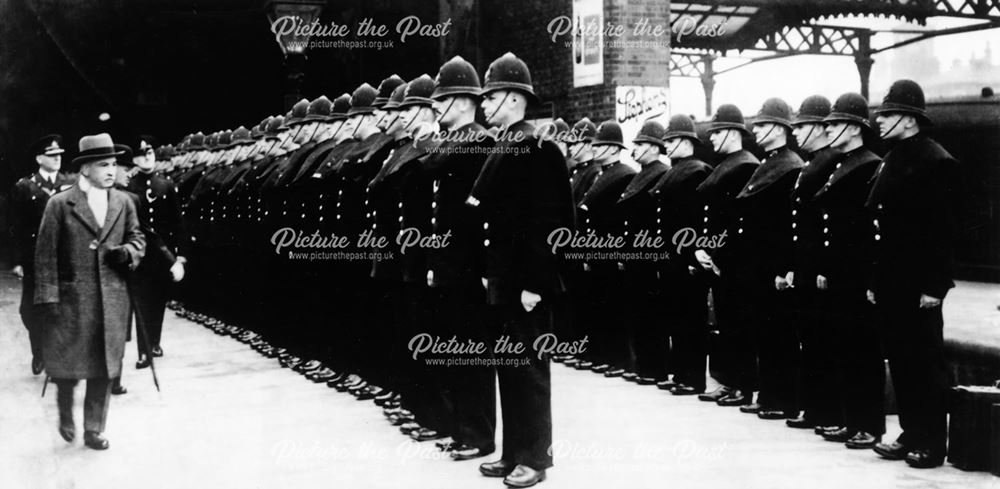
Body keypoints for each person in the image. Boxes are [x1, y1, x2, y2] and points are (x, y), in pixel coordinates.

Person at [471, 52, 575, 488]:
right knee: (509, 368)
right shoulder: (506, 143)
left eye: (491, 96)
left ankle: (535, 458)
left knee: (529, 371)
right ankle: (513, 451)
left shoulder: (539, 147)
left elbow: (552, 224)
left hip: (525, 285)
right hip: (503, 282)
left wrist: (536, 283)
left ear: (513, 98)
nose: (485, 105)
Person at [869, 79, 961, 469]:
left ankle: (931, 441)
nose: (880, 121)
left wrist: (934, 286)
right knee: (903, 360)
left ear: (908, 120)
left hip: (919, 284)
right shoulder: (895, 156)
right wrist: (876, 280)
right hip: (892, 280)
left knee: (925, 362)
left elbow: (944, 231)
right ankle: (910, 431)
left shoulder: (936, 161)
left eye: (887, 115)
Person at [34, 133, 145, 450]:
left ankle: (94, 428)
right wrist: (48, 297)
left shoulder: (124, 202)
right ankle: (65, 408)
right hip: (71, 301)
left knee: (105, 367)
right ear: (85, 169)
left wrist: (127, 253)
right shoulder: (60, 204)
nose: (111, 170)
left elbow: (139, 239)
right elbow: (45, 255)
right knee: (68, 365)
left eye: (113, 164)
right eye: (103, 165)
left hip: (112, 299)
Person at [812, 92, 885, 449]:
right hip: (841, 272)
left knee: (864, 351)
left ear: (855, 128)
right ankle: (850, 419)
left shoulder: (869, 165)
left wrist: (871, 276)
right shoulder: (845, 164)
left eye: (836, 124)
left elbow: (870, 230)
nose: (829, 130)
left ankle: (869, 425)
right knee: (845, 347)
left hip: (858, 272)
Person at [736, 98, 804, 420]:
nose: (756, 129)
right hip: (760, 263)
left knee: (780, 335)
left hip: (772, 264)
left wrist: (784, 266)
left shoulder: (790, 166)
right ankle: (769, 395)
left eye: (762, 125)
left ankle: (782, 399)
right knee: (766, 332)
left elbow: (786, 223)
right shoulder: (772, 163)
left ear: (779, 128)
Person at [695, 104, 759, 408]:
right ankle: (729, 382)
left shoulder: (744, 165)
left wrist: (718, 254)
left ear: (733, 133)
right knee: (725, 323)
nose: (713, 138)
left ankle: (741, 386)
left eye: (718, 132)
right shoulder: (727, 164)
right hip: (718, 258)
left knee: (738, 324)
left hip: (731, 261)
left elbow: (737, 220)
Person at [650, 114, 713, 395]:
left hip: (686, 259)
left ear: (687, 141)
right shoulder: (675, 170)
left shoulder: (697, 170)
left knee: (691, 320)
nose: (668, 145)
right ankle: (681, 373)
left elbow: (696, 220)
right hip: (672, 257)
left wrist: (691, 257)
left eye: (672, 140)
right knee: (677, 317)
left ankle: (693, 378)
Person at [9, 134, 74, 375]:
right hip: (35, 259)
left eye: (59, 155)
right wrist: (17, 260)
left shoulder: (68, 184)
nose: (57, 159)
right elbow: (14, 226)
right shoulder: (25, 187)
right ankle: (38, 350)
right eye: (51, 155)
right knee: (30, 309)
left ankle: (56, 353)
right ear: (39, 158)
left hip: (64, 257)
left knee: (63, 307)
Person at [127, 136, 189, 369]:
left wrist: (181, 255)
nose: (147, 157)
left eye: (150, 152)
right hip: (141, 256)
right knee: (142, 303)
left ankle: (154, 342)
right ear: (134, 159)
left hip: (164, 258)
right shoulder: (129, 187)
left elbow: (178, 222)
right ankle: (144, 351)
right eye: (142, 154)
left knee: (158, 300)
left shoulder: (166, 185)